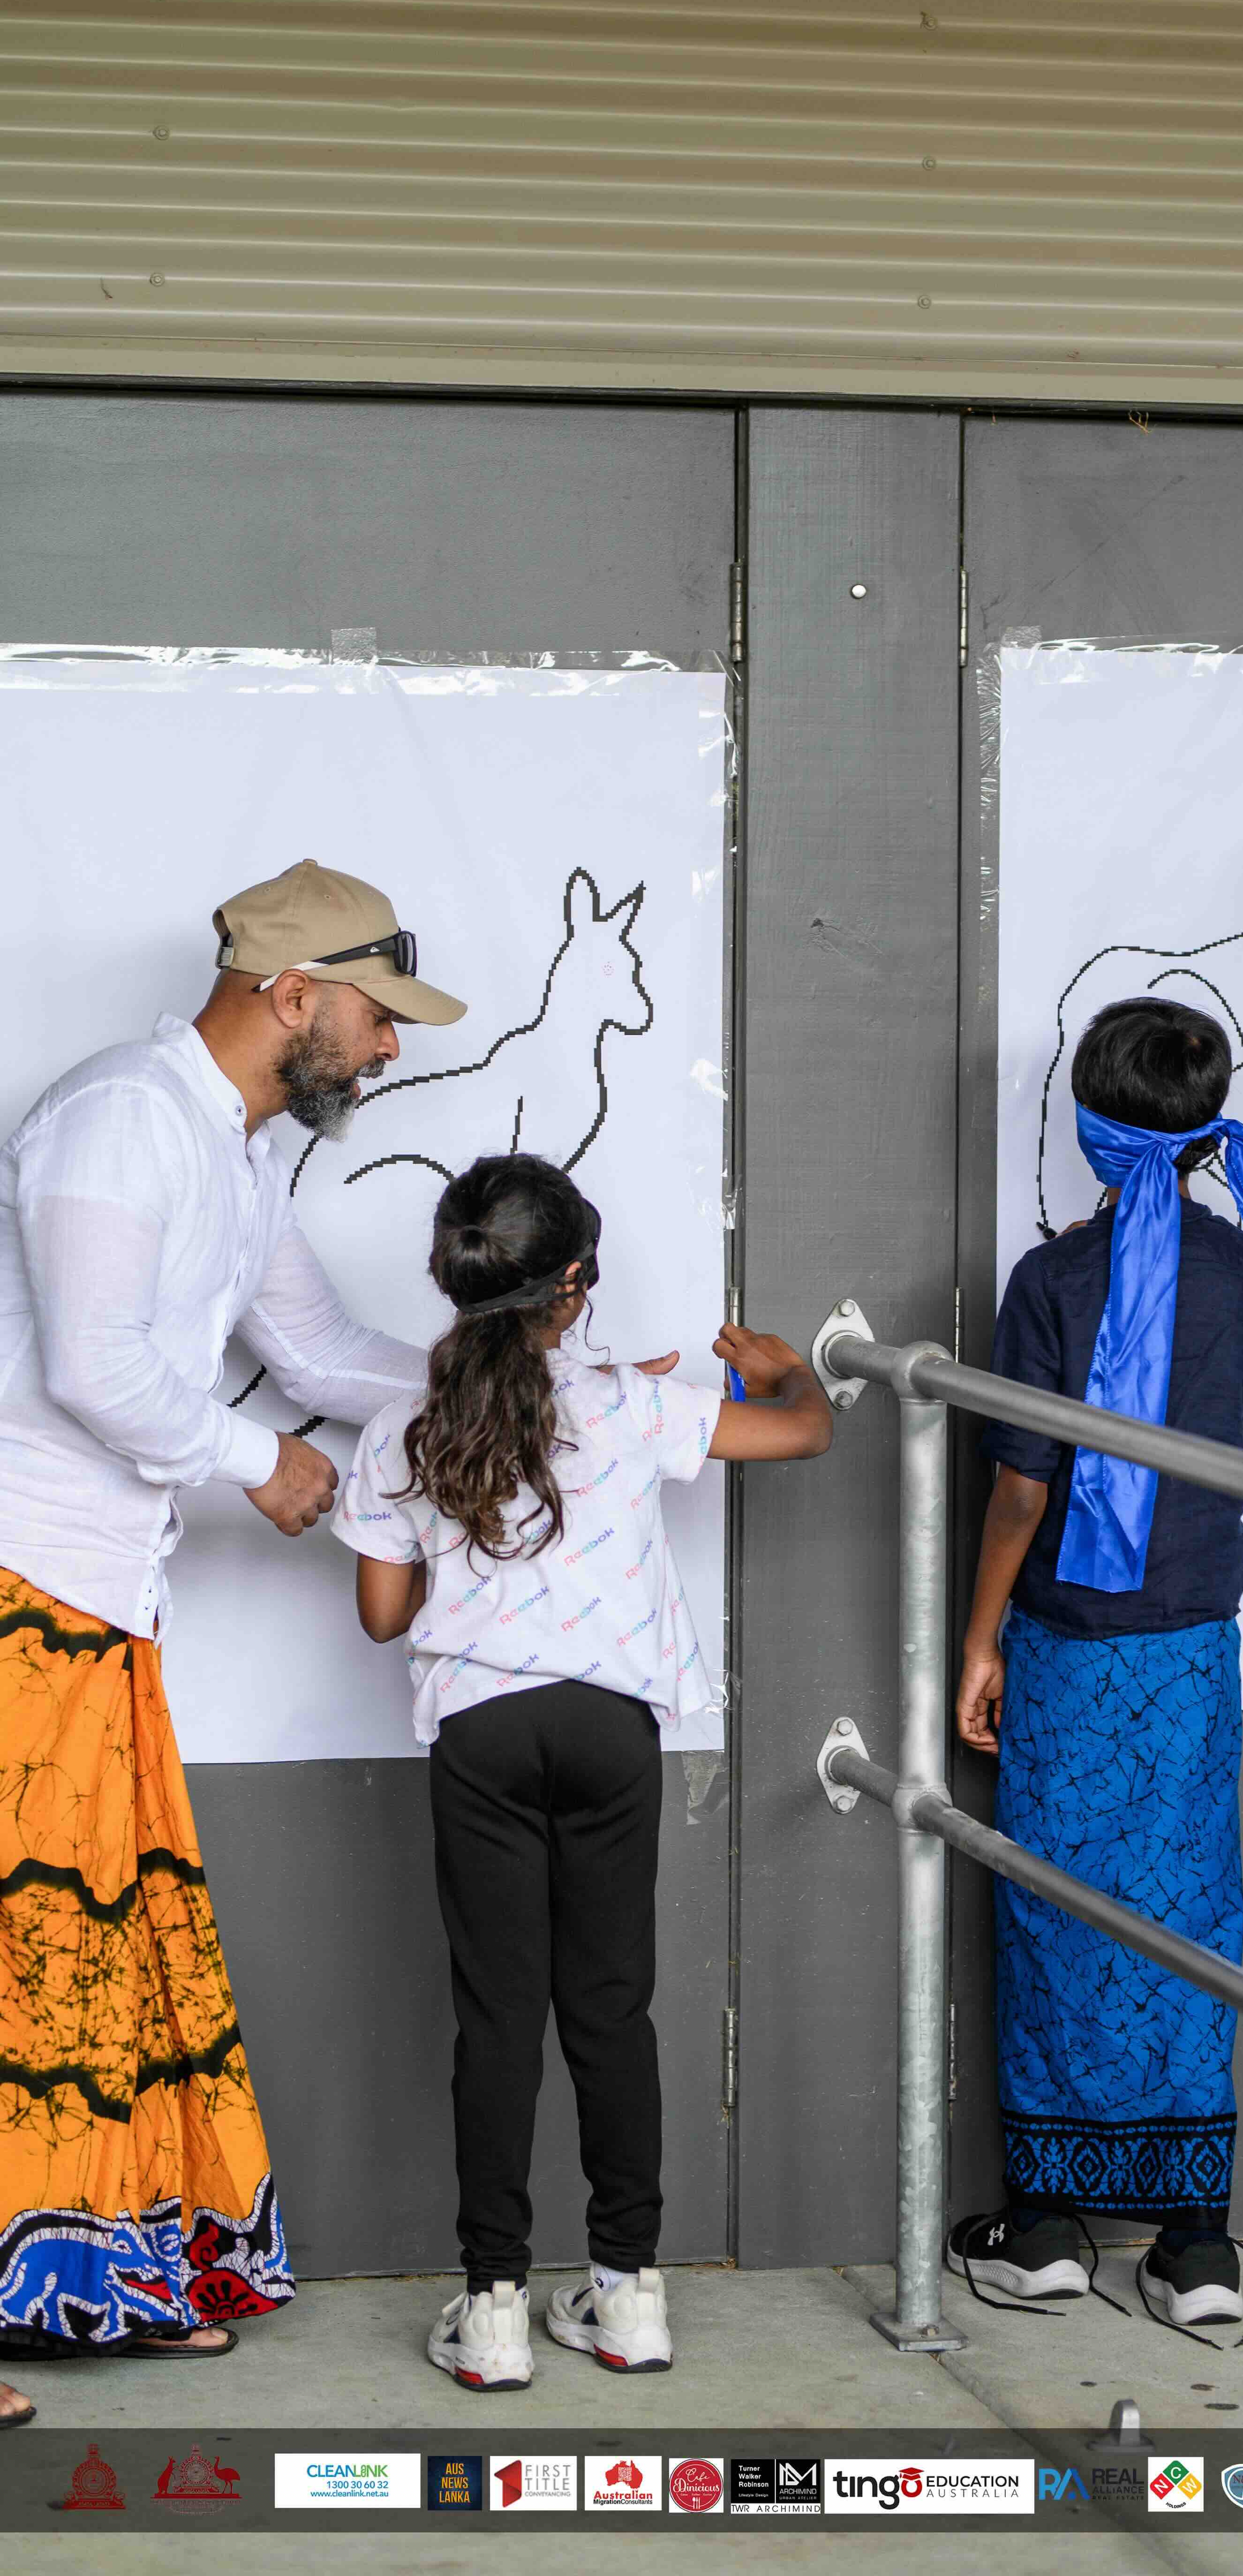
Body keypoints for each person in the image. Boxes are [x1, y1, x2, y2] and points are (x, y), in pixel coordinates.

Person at [0, 857, 464, 2424]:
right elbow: (90, 1363)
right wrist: (257, 1461)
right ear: (290, 993)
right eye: (375, 1012)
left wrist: (523, 1368)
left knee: (97, 1953)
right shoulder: (123, 1114)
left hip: (97, 1598)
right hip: (21, 1583)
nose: (389, 1045)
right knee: (26, 1955)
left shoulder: (236, 1149)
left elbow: (323, 1350)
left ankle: (96, 2275)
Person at [336, 1152, 831, 2390]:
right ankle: (629, 2296)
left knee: (497, 2021)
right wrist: (787, 1369)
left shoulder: (405, 1422)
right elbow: (804, 1433)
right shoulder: (626, 1403)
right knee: (611, 2011)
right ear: (576, 1286)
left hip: (482, 1734)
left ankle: (494, 2308)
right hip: (613, 1732)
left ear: (456, 1281)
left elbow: (384, 1617)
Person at [949, 996, 1243, 2330]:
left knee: (1054, 1904)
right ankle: (1194, 2250)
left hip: (1066, 1642)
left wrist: (978, 1632)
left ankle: (1049, 2228)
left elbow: (1021, 1489)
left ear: (1090, 1123)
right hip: (1191, 1653)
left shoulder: (1054, 1281)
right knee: (1188, 1910)